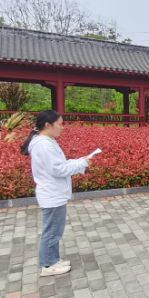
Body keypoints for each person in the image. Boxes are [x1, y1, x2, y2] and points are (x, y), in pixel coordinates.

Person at [21, 110, 93, 277]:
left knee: (54, 229)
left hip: (53, 192)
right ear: (48, 125)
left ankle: (52, 259)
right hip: (52, 194)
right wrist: (81, 163)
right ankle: (48, 264)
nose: (62, 127)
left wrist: (80, 161)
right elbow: (58, 169)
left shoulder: (45, 141)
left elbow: (60, 164)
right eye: (59, 124)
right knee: (52, 231)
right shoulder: (44, 145)